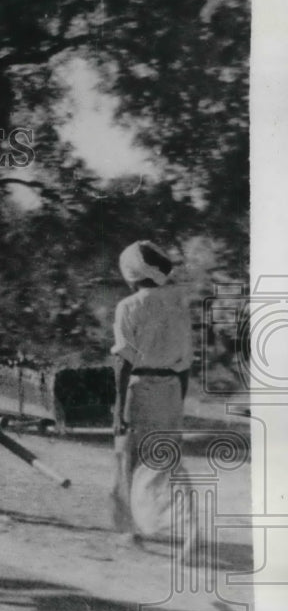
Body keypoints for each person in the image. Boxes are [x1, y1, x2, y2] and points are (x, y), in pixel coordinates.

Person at [110, 240, 196, 560]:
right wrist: (178, 398)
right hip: (171, 387)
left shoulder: (129, 306)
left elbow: (123, 361)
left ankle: (129, 529)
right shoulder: (178, 304)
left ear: (130, 273)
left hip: (141, 387)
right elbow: (186, 360)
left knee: (128, 459)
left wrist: (119, 410)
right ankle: (188, 528)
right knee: (167, 461)